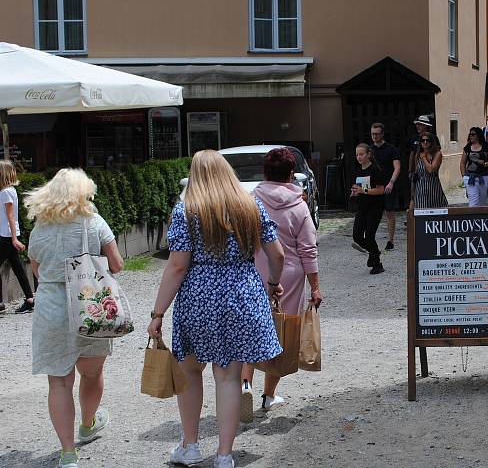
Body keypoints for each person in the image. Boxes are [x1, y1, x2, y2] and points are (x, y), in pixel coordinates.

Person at [147, 150, 285, 468]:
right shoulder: (250, 206)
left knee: (190, 371)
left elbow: (177, 267)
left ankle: (191, 446)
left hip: (198, 299)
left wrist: (158, 313)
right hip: (242, 295)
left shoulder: (186, 211)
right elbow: (277, 255)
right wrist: (272, 283)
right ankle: (224, 456)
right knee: (229, 378)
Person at [25, 168, 124, 468]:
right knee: (92, 374)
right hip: (90, 304)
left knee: (58, 384)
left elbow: (36, 268)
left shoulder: (40, 228)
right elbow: (117, 264)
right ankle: (88, 424)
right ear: (85, 193)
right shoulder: (94, 222)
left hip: (51, 308)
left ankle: (68, 453)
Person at [240, 148, 323, 422]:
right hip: (289, 277)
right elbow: (308, 248)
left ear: (264, 173)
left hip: (254, 272)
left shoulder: (250, 201)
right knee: (280, 333)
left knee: (252, 331)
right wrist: (315, 286)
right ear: (290, 174)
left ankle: (245, 385)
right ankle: (268, 395)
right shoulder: (299, 205)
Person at [0, 160, 35, 314]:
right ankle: (29, 299)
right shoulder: (11, 190)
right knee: (17, 266)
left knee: (17, 266)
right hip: (9, 234)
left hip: (6, 235)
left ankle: (0, 304)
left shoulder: (5, 192)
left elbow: (10, 216)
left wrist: (14, 238)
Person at [351, 143, 386, 275]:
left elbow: (381, 190)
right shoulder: (358, 170)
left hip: (375, 207)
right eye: (357, 155)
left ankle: (377, 263)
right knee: (357, 236)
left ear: (369, 155)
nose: (359, 157)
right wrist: (355, 192)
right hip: (362, 207)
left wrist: (363, 190)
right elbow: (357, 187)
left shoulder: (375, 170)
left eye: (361, 154)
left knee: (370, 236)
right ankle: (375, 252)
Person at [369, 123, 401, 252]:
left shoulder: (391, 149)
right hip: (374, 186)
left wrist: (391, 182)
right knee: (372, 213)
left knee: (389, 212)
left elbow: (397, 167)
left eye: (377, 134)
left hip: (387, 186)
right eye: (372, 134)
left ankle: (390, 240)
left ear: (382, 134)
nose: (374, 136)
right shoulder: (369, 150)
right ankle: (370, 239)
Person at [460, 127, 488, 207]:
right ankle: (473, 217)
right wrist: (464, 176)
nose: (471, 136)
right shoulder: (467, 147)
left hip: (483, 177)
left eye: (473, 134)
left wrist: (486, 164)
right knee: (473, 202)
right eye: (470, 134)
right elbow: (462, 163)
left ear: (478, 135)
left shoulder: (486, 146)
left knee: (483, 202)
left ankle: (483, 218)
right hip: (470, 178)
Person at [412, 133, 448, 209]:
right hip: (420, 187)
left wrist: (424, 158)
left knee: (436, 212)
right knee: (421, 211)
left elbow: (431, 170)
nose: (425, 142)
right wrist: (412, 194)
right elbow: (416, 174)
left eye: (427, 140)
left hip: (433, 187)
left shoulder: (437, 154)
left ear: (431, 142)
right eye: (423, 140)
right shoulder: (418, 155)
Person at [407, 115, 434, 182]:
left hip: (428, 167)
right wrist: (410, 170)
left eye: (420, 124)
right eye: (417, 124)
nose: (417, 126)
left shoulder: (432, 138)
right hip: (416, 168)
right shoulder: (414, 138)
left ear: (426, 126)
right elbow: (412, 154)